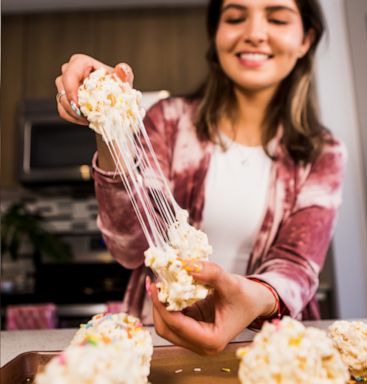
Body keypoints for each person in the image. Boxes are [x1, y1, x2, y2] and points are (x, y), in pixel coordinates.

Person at [55, 0, 346, 355]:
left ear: (305, 39)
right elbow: (130, 247)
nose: (254, 33)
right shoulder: (169, 121)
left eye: (277, 18)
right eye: (236, 17)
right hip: (159, 344)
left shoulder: (323, 152)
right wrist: (107, 115)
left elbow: (296, 266)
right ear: (216, 34)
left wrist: (249, 298)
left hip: (271, 353)